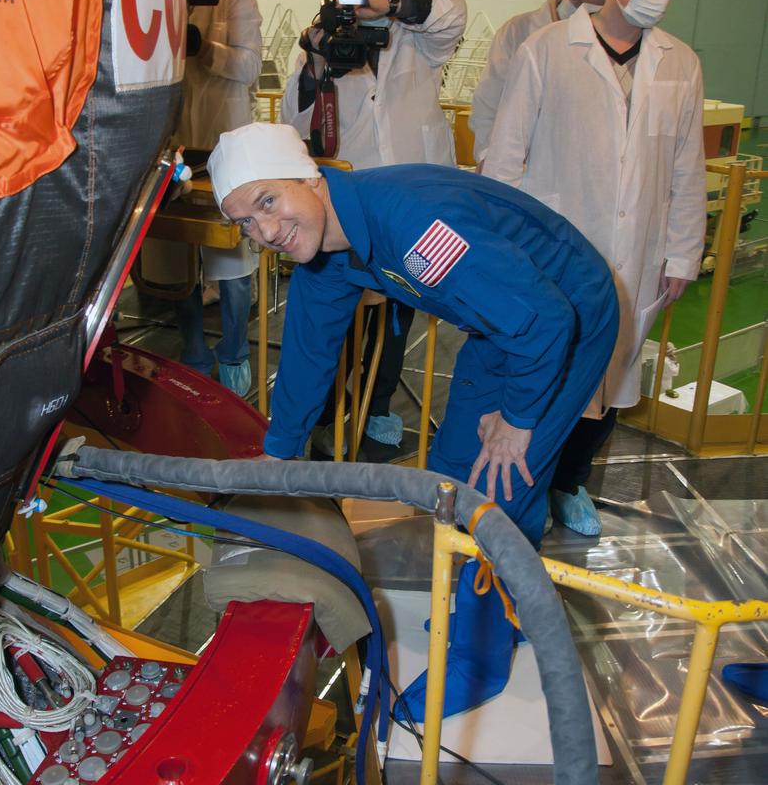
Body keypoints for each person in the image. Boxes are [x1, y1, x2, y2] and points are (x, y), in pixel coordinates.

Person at [207, 123, 619, 719]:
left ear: (310, 178)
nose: (264, 232)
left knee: (497, 485)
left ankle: (479, 660)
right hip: (504, 320)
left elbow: (545, 320)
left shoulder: (416, 226)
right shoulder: (330, 247)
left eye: (267, 201)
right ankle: (514, 604)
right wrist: (280, 452)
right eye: (245, 222)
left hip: (564, 316)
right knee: (452, 472)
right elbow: (307, 350)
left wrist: (518, 418)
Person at [483, 0, 706, 536]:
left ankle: (569, 482)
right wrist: (504, 255)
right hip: (556, 248)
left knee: (613, 374)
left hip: (639, 251)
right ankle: (525, 485)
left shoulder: (680, 63)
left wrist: (682, 253)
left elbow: (687, 165)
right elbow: (505, 158)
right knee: (549, 368)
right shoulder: (547, 49)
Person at [282, 0, 467, 461]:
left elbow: (453, 12)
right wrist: (315, 61)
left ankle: (379, 402)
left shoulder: (419, 40)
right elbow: (295, 120)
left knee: (400, 308)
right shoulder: (325, 41)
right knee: (343, 313)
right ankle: (326, 412)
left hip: (413, 197)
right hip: (352, 201)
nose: (364, 3)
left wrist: (391, 9)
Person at [168, 0, 262, 396]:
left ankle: (235, 353)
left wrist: (205, 48)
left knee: (232, 258)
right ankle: (193, 353)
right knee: (177, 257)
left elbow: (250, 68)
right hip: (175, 141)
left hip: (226, 139)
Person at [469, 0, 607, 162]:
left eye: (592, 8)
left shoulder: (605, 41)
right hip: (518, 158)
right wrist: (488, 155)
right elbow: (489, 100)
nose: (581, 12)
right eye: (576, 1)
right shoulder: (518, 30)